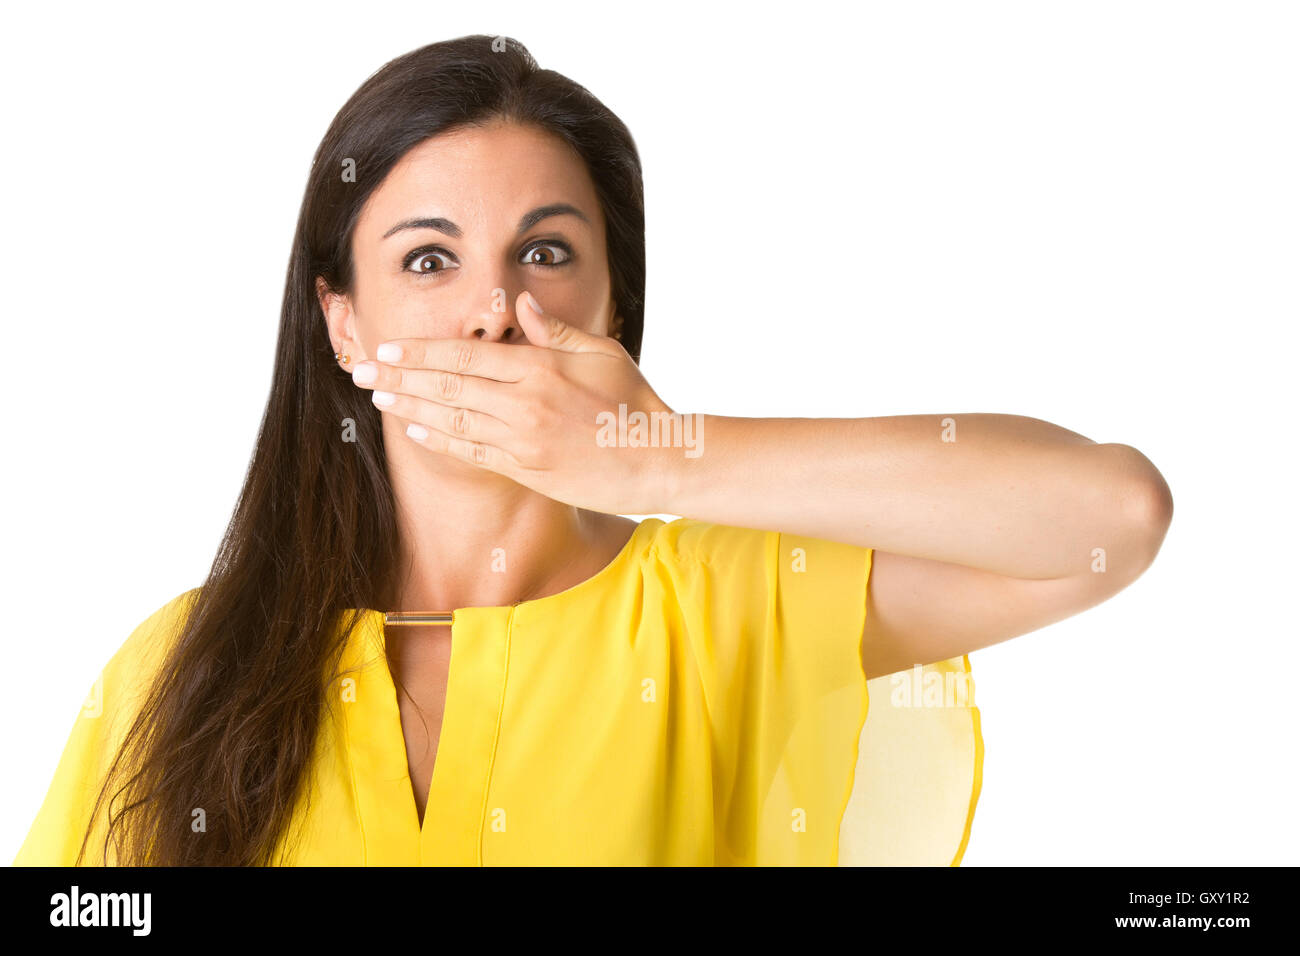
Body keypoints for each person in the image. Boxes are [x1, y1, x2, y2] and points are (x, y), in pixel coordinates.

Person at [13, 34, 1172, 866]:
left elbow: (1110, 515)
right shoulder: (183, 664)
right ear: (342, 322)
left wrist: (655, 455)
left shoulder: (721, 606)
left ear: (615, 304)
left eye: (548, 253)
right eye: (428, 259)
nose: (493, 308)